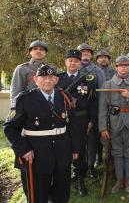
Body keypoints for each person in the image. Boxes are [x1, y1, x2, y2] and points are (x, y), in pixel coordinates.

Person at [4, 64, 78, 203]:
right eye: (43, 77)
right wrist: (23, 150)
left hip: (62, 154)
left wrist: (74, 148)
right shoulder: (24, 99)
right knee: (37, 197)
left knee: (61, 196)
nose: (48, 81)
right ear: (35, 79)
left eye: (51, 77)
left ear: (56, 80)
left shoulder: (64, 97)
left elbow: (72, 126)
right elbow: (10, 128)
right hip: (36, 157)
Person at [99, 55, 129, 193]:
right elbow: (102, 109)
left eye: (126, 65)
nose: (123, 68)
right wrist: (102, 128)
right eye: (121, 65)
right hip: (114, 124)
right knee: (117, 152)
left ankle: (128, 179)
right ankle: (119, 180)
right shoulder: (107, 85)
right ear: (116, 67)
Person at [57, 49, 98, 196]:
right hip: (61, 120)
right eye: (70, 60)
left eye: (76, 61)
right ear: (66, 62)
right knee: (62, 148)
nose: (73, 63)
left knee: (79, 149)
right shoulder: (57, 78)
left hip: (81, 120)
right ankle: (63, 178)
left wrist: (92, 120)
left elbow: (93, 102)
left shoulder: (88, 79)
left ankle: (80, 178)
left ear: (80, 63)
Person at [77, 43, 106, 177]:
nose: (86, 54)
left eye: (88, 52)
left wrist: (98, 115)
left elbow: (102, 94)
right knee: (77, 142)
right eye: (83, 52)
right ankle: (78, 168)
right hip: (76, 113)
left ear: (91, 55)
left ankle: (90, 166)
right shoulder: (74, 68)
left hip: (92, 112)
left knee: (92, 141)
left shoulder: (97, 70)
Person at [10, 40, 48, 108]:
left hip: (46, 107)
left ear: (45, 53)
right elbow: (15, 91)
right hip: (27, 107)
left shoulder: (49, 69)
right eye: (35, 49)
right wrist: (15, 108)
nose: (38, 51)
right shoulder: (21, 69)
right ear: (30, 52)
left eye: (41, 49)